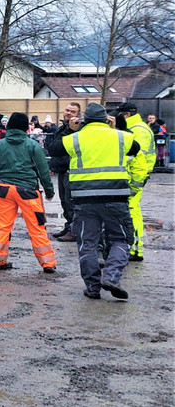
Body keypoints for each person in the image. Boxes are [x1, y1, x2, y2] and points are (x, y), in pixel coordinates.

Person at [49, 103, 140, 300]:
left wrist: (69, 129)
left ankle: (92, 287)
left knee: (87, 243)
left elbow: (54, 149)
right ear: (106, 119)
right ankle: (111, 276)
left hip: (84, 199)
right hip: (116, 197)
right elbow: (136, 148)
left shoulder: (74, 138)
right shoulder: (121, 136)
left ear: (84, 120)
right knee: (122, 239)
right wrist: (116, 128)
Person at [0, 112, 57, 273]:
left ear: (9, 127)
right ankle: (48, 263)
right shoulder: (33, 146)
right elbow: (43, 171)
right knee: (37, 227)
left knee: (3, 226)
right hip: (28, 190)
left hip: (4, 190)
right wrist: (49, 191)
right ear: (26, 128)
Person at [113, 101, 156, 262]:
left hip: (133, 179)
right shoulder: (135, 128)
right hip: (131, 177)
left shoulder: (138, 130)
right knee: (130, 213)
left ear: (127, 114)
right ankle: (131, 248)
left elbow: (138, 159)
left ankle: (135, 250)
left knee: (131, 213)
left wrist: (134, 184)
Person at [48, 102, 82, 242]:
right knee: (64, 201)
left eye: (72, 111)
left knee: (70, 202)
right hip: (62, 169)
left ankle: (74, 231)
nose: (68, 113)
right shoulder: (63, 127)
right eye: (67, 110)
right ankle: (69, 227)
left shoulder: (77, 129)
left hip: (71, 170)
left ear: (78, 114)